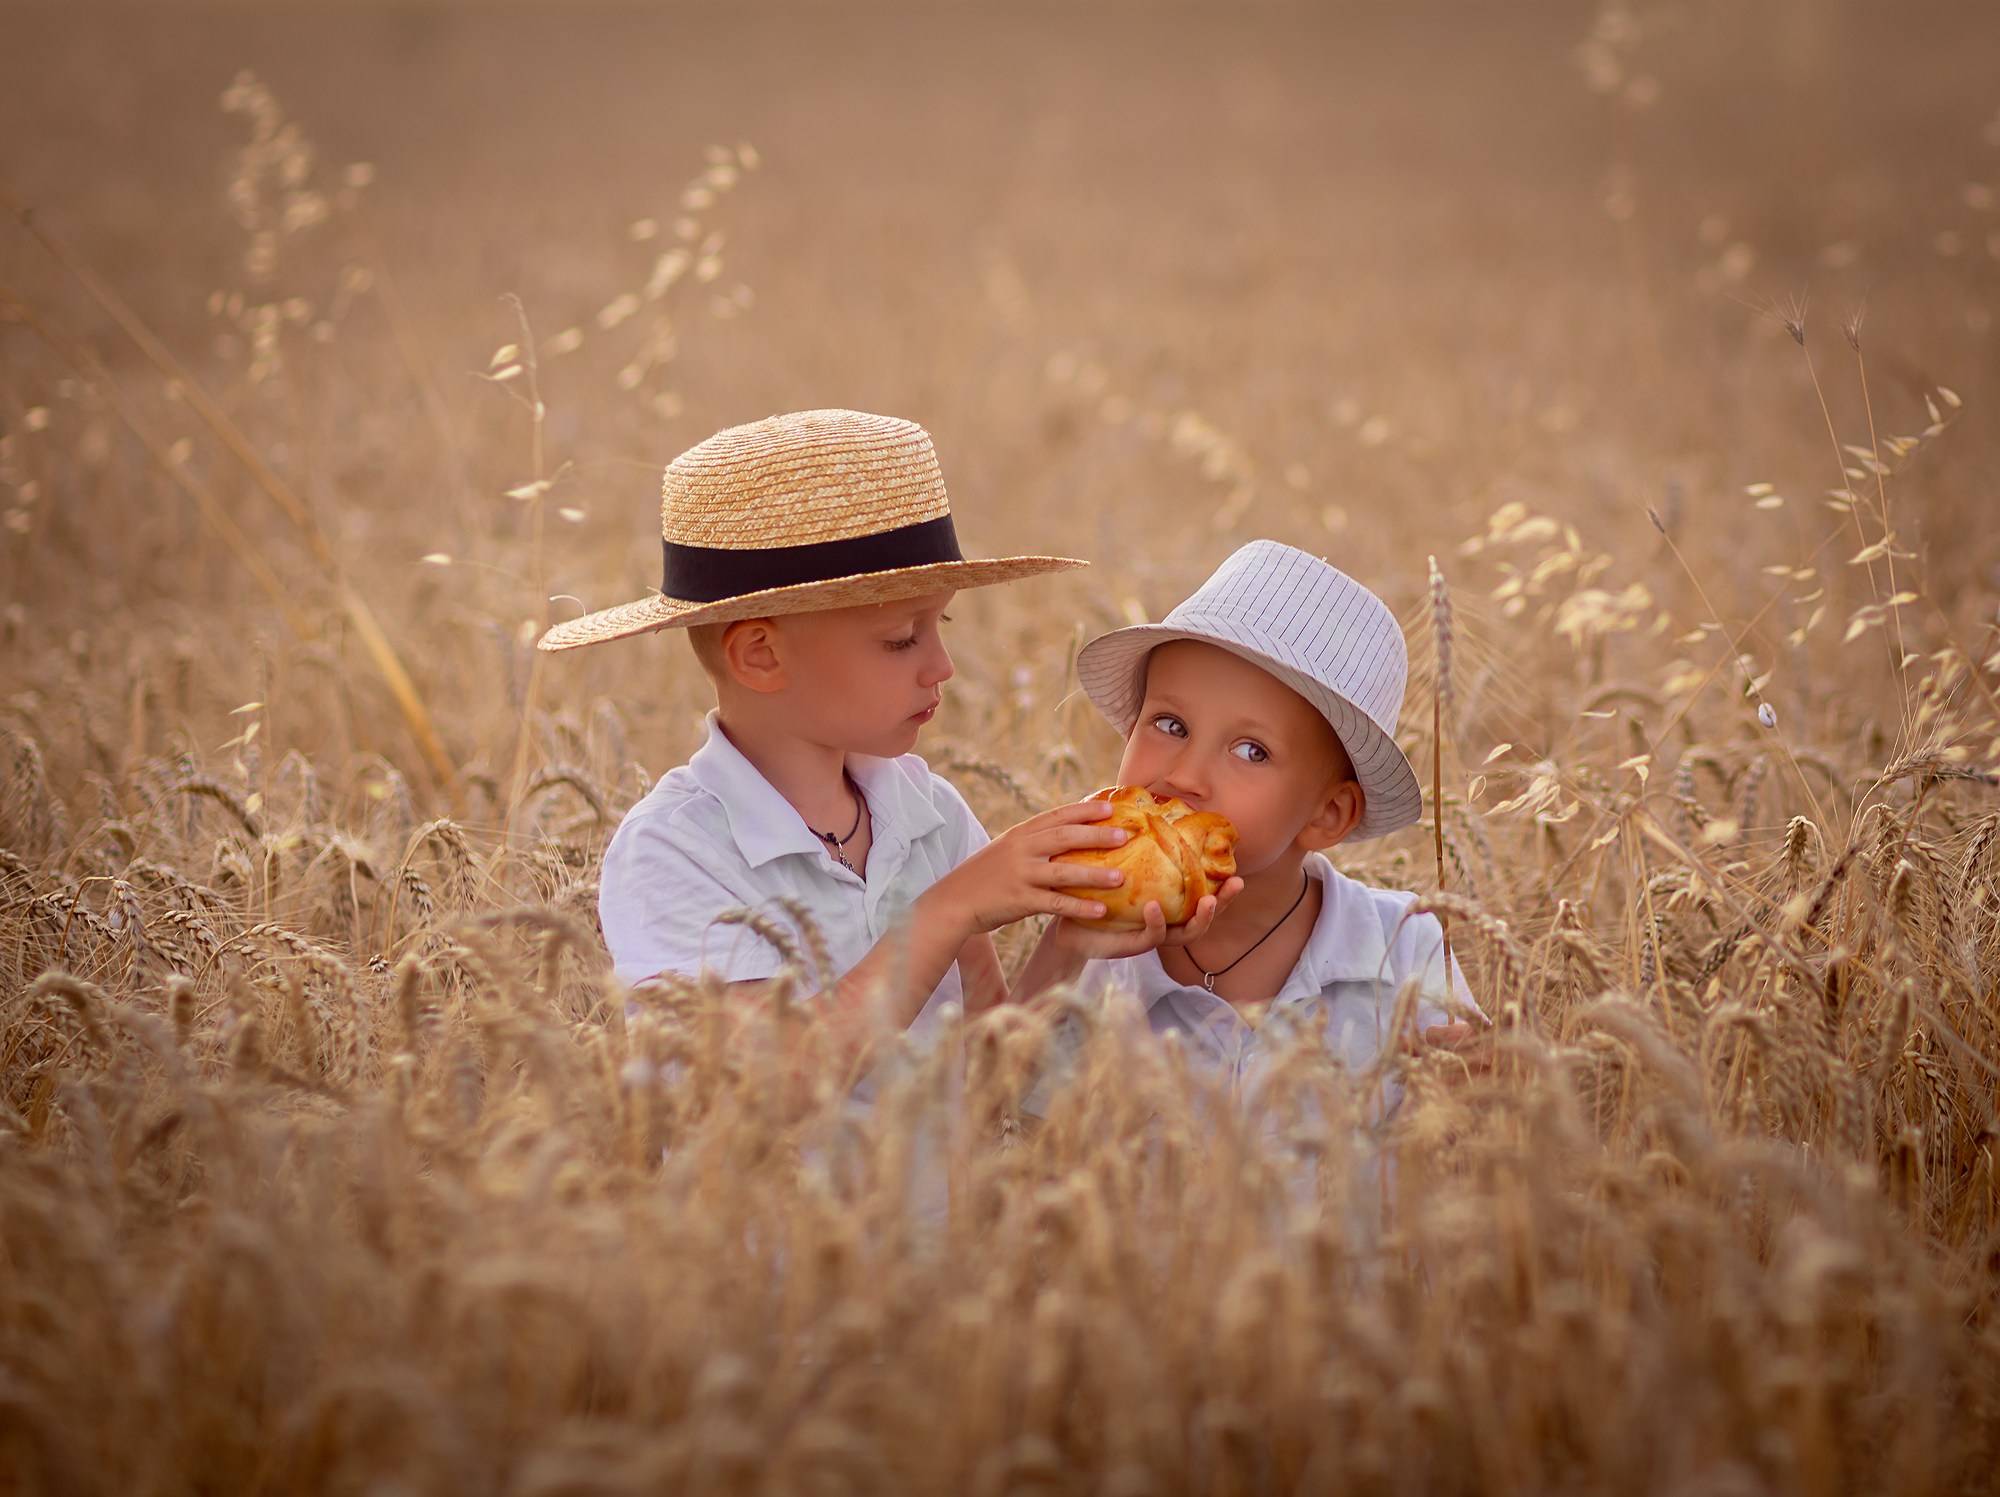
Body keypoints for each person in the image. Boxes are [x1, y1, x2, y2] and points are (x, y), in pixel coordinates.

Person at [538, 408, 1229, 1066]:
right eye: (901, 638)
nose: (943, 667)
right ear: (760, 656)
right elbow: (763, 1087)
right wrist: (951, 907)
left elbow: (987, 1083)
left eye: (940, 627)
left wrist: (1068, 946)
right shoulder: (674, 848)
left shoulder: (926, 813)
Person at [1012, 539, 1482, 1102]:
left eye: (1251, 751)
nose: (1187, 775)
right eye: (1170, 725)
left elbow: (1474, 1134)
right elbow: (989, 1116)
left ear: (1328, 814)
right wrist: (1066, 949)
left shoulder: (1403, 948)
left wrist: (1487, 1094)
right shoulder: (1093, 955)